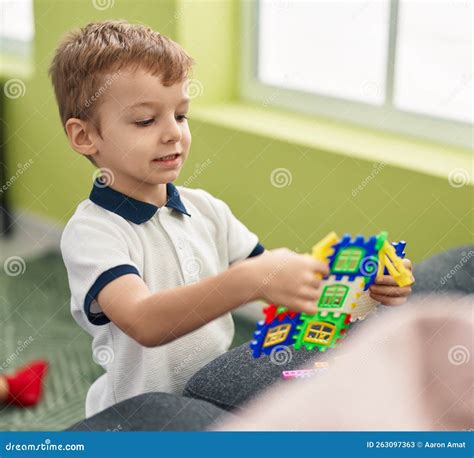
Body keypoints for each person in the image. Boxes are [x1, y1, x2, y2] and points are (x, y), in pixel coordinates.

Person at [50, 20, 413, 419]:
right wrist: (250, 280)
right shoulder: (93, 233)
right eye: (145, 121)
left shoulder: (206, 208)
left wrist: (362, 283)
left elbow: (278, 279)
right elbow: (143, 321)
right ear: (85, 137)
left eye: (181, 115)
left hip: (210, 391)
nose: (174, 134)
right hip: (140, 416)